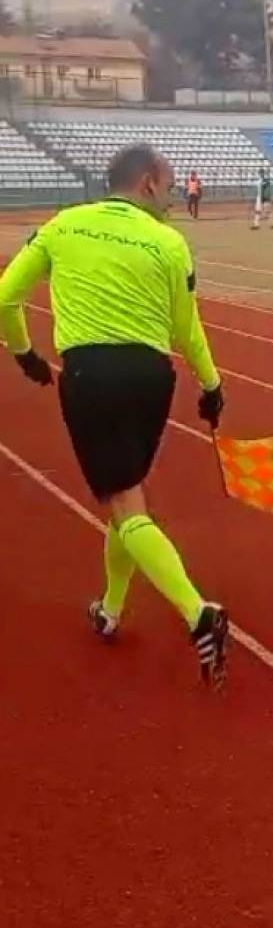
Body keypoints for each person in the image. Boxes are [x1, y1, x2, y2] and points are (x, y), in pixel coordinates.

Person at [0, 143, 229, 686]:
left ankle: (199, 613)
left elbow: (5, 297)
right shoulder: (170, 242)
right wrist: (212, 384)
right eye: (170, 187)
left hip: (92, 376)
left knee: (125, 502)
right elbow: (186, 327)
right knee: (127, 497)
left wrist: (25, 353)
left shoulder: (63, 224)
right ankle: (110, 608)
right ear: (148, 182)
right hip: (153, 380)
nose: (173, 199)